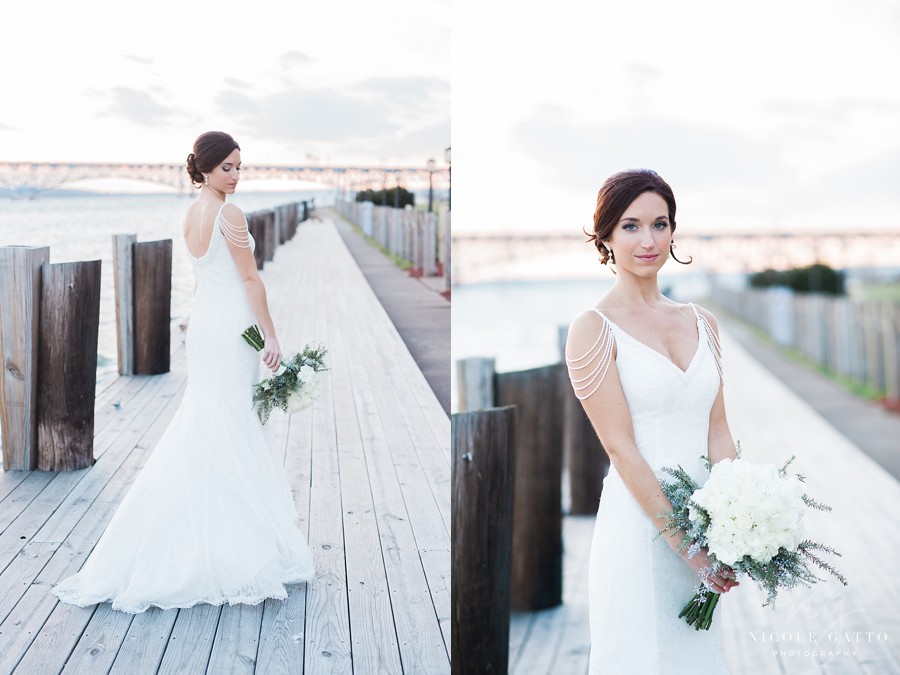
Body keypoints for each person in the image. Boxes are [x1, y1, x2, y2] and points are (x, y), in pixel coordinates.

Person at [53, 131, 315, 613]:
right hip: (234, 329)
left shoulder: (192, 213)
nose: (235, 176)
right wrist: (271, 336)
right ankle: (237, 543)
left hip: (205, 329)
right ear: (207, 169)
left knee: (210, 423)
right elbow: (250, 280)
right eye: (227, 168)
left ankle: (206, 533)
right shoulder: (229, 214)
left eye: (240, 167)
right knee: (235, 425)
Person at [564, 169, 738, 674]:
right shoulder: (592, 329)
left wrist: (729, 528)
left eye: (659, 224)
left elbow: (719, 430)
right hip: (642, 533)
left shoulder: (703, 321)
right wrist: (689, 549)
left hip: (707, 529)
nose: (648, 240)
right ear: (606, 237)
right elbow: (621, 449)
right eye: (631, 226)